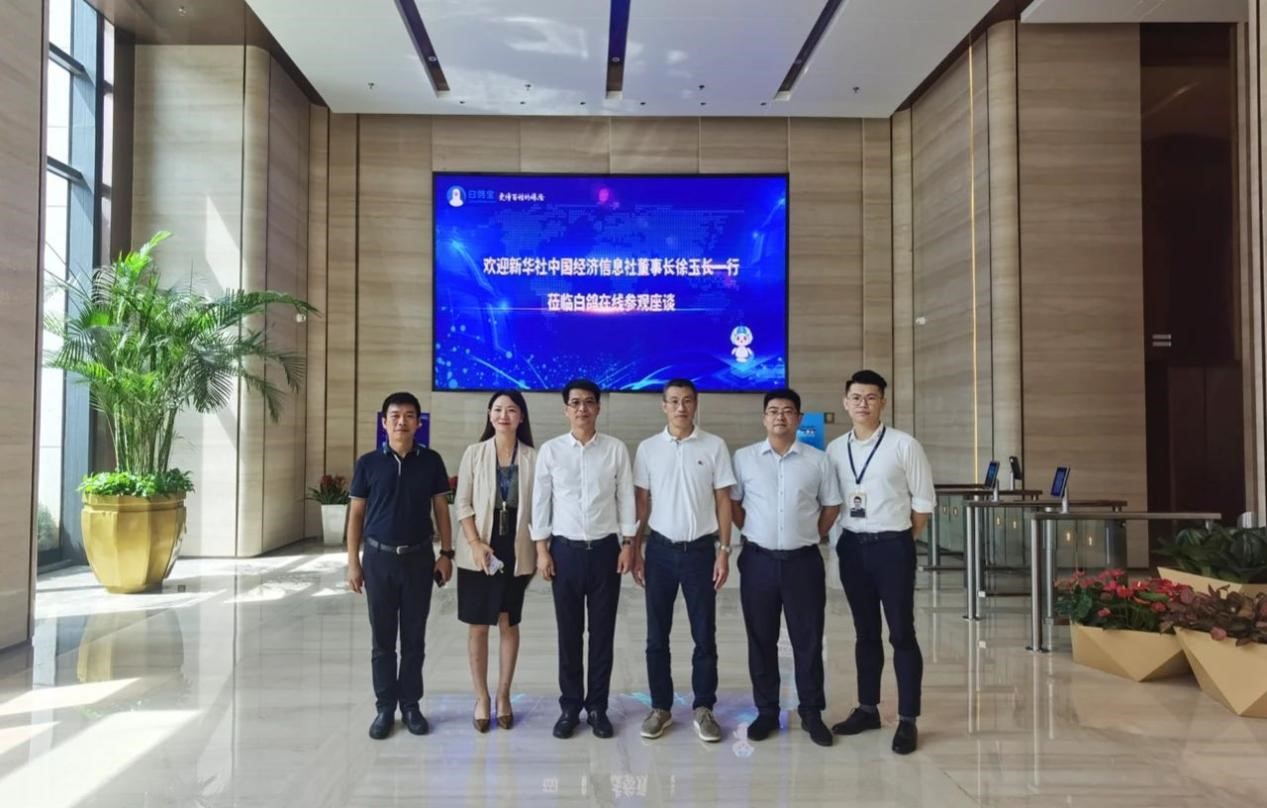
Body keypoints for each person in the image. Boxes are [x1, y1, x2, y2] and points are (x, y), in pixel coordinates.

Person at [826, 369, 935, 755]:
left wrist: (900, 541)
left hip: (892, 546)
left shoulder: (904, 445)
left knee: (901, 632)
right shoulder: (834, 449)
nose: (863, 404)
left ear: (883, 402)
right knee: (865, 632)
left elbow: (923, 502)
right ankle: (868, 708)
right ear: (845, 402)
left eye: (871, 397)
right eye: (856, 397)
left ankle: (907, 718)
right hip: (853, 547)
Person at [730, 388, 841, 747]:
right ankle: (766, 711)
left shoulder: (818, 460)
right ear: (764, 417)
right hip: (758, 561)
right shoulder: (744, 458)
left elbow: (831, 506)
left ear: (799, 418)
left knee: (807, 639)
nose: (780, 417)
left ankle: (811, 712)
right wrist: (754, 532)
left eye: (788, 411)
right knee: (761, 638)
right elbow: (735, 505)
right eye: (773, 411)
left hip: (803, 562)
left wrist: (811, 534)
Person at [531, 378, 637, 739]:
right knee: (569, 634)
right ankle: (570, 707)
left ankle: (597, 708)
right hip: (565, 552)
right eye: (575, 403)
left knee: (602, 634)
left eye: (588, 402)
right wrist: (541, 549)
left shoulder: (615, 449)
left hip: (606, 551)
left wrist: (628, 543)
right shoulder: (551, 451)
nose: (582, 408)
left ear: (598, 408)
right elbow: (541, 502)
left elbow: (626, 497)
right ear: (566, 409)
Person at [632, 379, 736, 743]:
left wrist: (725, 550)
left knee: (704, 634)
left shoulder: (714, 445)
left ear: (696, 404)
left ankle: (704, 707)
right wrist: (635, 548)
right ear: (663, 405)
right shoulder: (648, 449)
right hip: (660, 552)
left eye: (687, 400)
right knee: (656, 636)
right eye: (674, 401)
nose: (681, 407)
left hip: (701, 552)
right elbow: (641, 502)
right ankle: (660, 707)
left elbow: (723, 500)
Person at [346, 392, 454, 740]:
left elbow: (441, 509)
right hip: (378, 560)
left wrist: (446, 553)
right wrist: (353, 561)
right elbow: (356, 514)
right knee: (382, 640)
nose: (401, 421)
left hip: (419, 559)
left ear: (418, 423)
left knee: (414, 638)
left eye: (409, 416)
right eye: (394, 415)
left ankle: (410, 705)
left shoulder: (431, 461)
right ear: (384, 422)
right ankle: (384, 708)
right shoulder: (368, 463)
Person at [453, 390, 537, 733]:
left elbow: (541, 507)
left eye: (511, 410)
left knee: (507, 622)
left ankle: (503, 695)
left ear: (521, 417)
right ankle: (481, 697)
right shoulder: (474, 453)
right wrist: (475, 543)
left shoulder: (533, 457)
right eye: (498, 409)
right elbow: (462, 503)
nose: (504, 415)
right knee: (477, 624)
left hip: (515, 548)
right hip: (479, 548)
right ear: (490, 415)